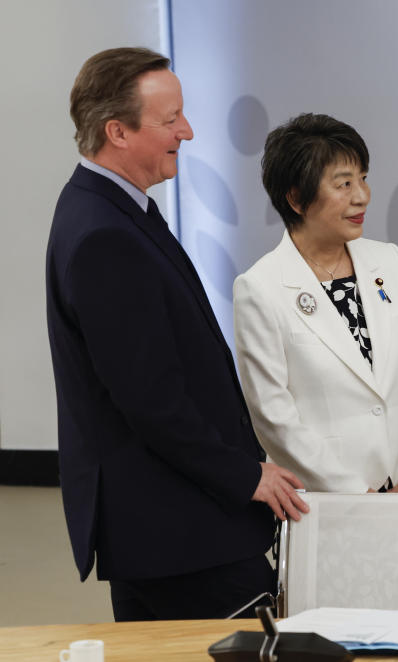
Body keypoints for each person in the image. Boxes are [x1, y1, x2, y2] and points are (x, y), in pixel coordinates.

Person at [45, 47, 309, 621]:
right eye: (171, 120)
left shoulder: (114, 209)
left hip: (172, 525)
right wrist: (246, 475)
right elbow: (151, 401)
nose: (186, 131)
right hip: (179, 533)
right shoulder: (102, 236)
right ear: (117, 131)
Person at [233, 113, 398, 494]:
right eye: (343, 184)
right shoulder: (260, 288)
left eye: (363, 178)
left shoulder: (389, 261)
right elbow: (274, 419)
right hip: (329, 503)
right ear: (296, 198)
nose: (361, 195)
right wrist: (355, 495)